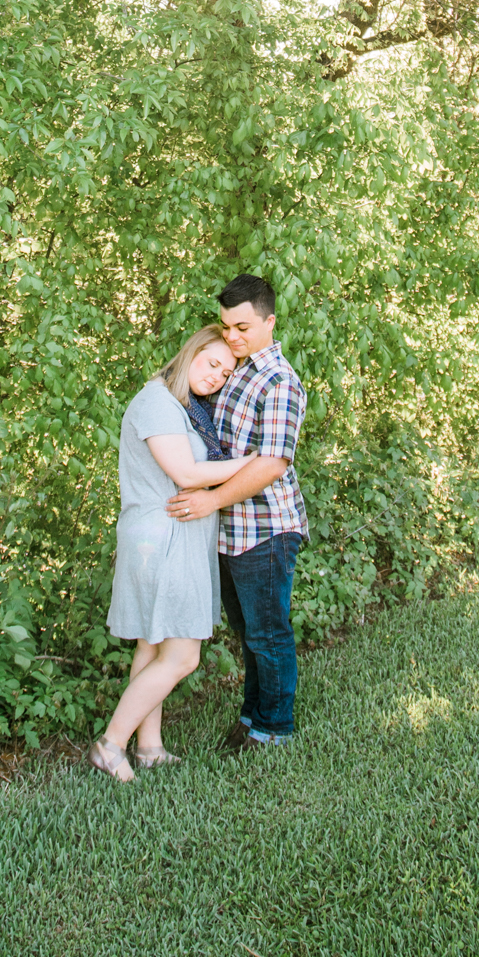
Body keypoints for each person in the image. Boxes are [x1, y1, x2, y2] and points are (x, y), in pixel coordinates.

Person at [89, 326, 256, 782]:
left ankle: (149, 746)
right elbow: (185, 472)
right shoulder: (156, 401)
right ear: (190, 353)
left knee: (153, 642)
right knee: (183, 656)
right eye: (211, 363)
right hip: (162, 538)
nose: (216, 377)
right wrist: (252, 463)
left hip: (173, 535)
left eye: (225, 373)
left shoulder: (183, 407)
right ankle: (110, 744)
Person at [165, 274, 308, 751]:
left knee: (268, 633)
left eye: (243, 327)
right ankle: (252, 717)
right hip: (229, 529)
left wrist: (209, 499)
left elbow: (271, 462)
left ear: (269, 321)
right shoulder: (236, 368)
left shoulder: (280, 381)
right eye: (226, 327)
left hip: (265, 527)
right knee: (248, 633)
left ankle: (274, 728)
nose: (232, 337)